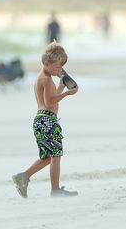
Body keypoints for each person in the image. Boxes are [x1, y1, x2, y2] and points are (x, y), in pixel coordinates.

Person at [12, 42, 79, 198]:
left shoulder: (42, 77)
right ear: (46, 63)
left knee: (48, 157)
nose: (59, 70)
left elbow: (49, 97)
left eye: (61, 67)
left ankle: (23, 176)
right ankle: (55, 190)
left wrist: (61, 88)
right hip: (48, 121)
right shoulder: (46, 79)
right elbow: (50, 102)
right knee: (56, 155)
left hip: (41, 120)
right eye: (56, 67)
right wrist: (68, 93)